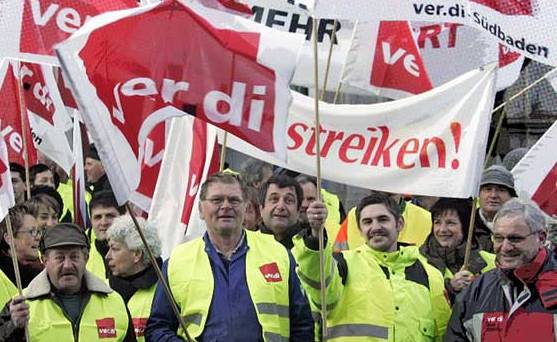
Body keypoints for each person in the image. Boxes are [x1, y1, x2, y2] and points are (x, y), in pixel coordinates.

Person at [146, 172, 314, 341]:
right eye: (217, 200)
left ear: (245, 207)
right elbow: (157, 328)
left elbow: (302, 326)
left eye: (234, 200)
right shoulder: (178, 261)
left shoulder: (277, 254)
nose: (226, 206)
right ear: (201, 210)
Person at [293, 193, 451, 341]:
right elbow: (319, 285)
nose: (375, 227)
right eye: (367, 222)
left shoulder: (430, 275)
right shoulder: (342, 265)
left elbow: (444, 333)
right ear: (360, 230)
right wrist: (315, 236)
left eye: (383, 219)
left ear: (399, 224)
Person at [0, 223, 136, 341]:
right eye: (59, 258)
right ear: (45, 260)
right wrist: (13, 327)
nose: (67, 265)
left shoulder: (114, 302)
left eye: (74, 257)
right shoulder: (20, 306)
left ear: (86, 258)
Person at [445, 198, 557, 341]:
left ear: (541, 238)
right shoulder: (476, 291)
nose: (505, 247)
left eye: (515, 239)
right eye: (498, 238)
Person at [419, 198, 495, 302]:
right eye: (437, 222)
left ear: (465, 227)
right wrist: (450, 288)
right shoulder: (419, 262)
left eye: (450, 223)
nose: (442, 229)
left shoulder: (490, 262)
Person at [106, 215, 162, 342]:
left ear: (137, 254)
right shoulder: (102, 290)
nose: (107, 256)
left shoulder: (164, 291)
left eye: (114, 249)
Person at [334, 191, 432, 251]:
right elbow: (338, 258)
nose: (375, 227)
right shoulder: (354, 215)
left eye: (389, 195)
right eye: (367, 222)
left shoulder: (426, 219)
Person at [0, 205, 43, 305]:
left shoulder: (43, 271)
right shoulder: (3, 275)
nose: (38, 238)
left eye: (39, 232)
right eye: (32, 232)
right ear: (9, 238)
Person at [474, 165, 517, 252]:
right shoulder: (463, 224)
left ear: (511, 196)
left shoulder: (521, 226)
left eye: (501, 190)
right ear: (478, 194)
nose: (493, 195)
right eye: (488, 189)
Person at [86, 190, 125, 280]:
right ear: (91, 221)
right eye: (98, 217)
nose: (103, 223)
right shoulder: (84, 255)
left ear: (122, 217)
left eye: (110, 216)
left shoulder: (135, 253)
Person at [258, 175, 304, 249]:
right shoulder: (247, 245)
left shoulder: (311, 247)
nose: (280, 206)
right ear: (261, 209)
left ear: (298, 210)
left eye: (289, 200)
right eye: (274, 199)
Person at [296, 174, 346, 241]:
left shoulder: (335, 231)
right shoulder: (281, 226)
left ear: (320, 199)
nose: (304, 204)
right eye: (300, 198)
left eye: (310, 199)